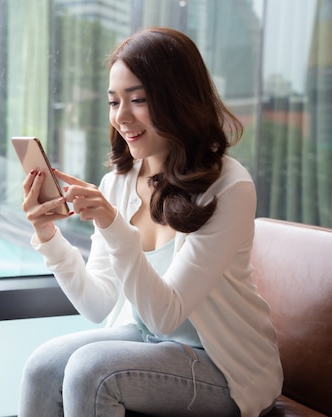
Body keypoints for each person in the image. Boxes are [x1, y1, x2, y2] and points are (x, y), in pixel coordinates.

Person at [18, 27, 282, 417]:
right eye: (113, 102)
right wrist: (49, 236)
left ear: (179, 100)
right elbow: (98, 302)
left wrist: (112, 224)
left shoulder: (229, 186)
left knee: (92, 373)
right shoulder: (119, 182)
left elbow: (166, 314)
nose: (121, 117)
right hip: (150, 341)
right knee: (44, 365)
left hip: (224, 365)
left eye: (137, 99)